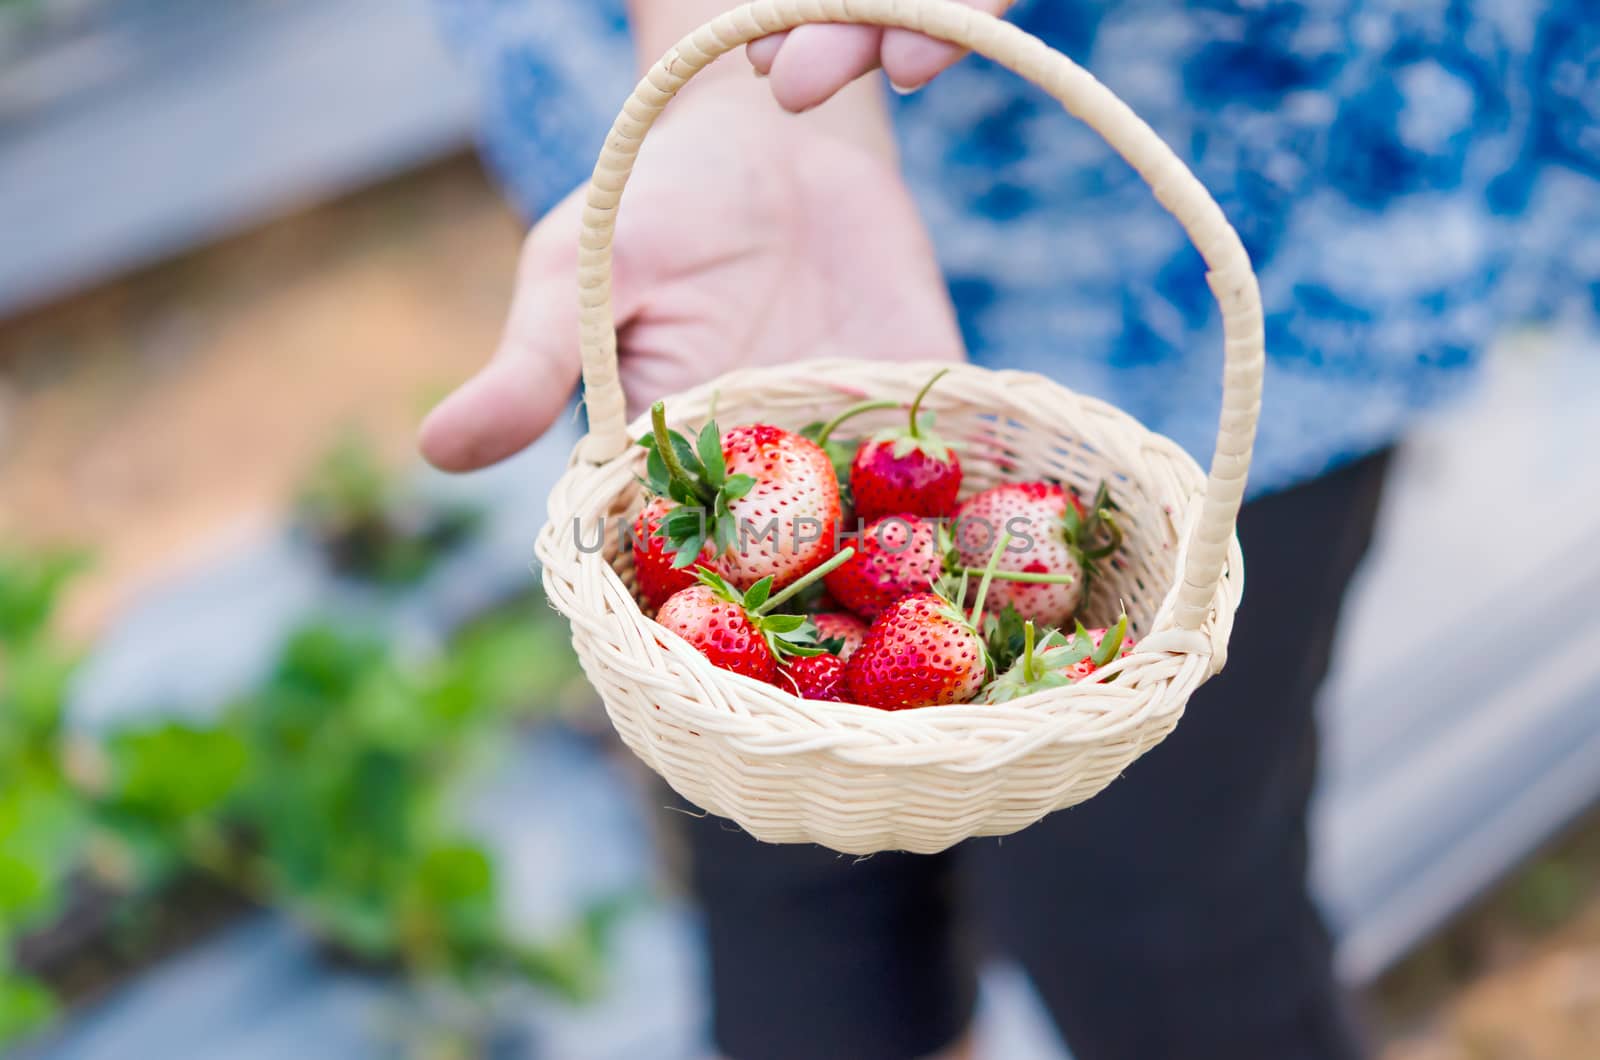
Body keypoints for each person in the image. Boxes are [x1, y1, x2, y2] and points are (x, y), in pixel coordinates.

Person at [420, 2, 1599, 1057]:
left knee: (1152, 905)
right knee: (773, 834)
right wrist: (750, 90)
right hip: (728, 187)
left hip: (1230, 160)